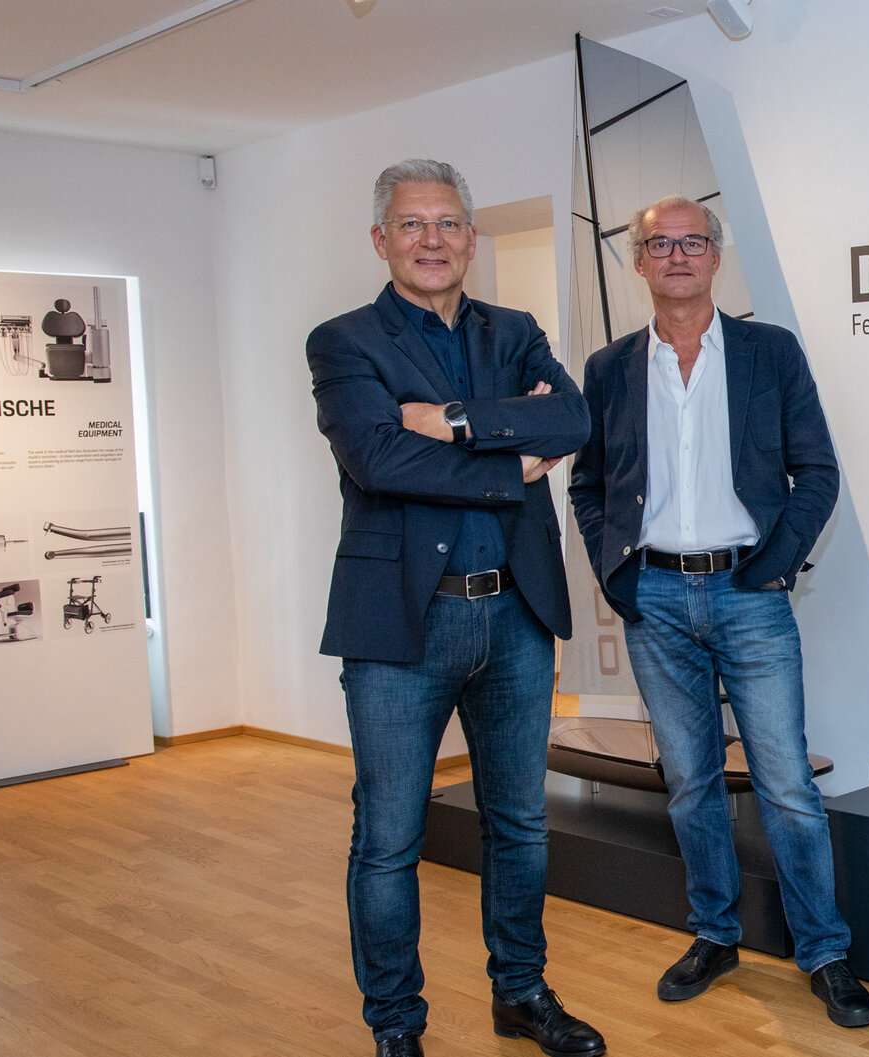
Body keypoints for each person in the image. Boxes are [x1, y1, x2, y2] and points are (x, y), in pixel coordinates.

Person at [307, 159, 604, 1057]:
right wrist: (511, 460)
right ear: (381, 239)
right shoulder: (344, 342)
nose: (431, 240)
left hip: (515, 616)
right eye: (412, 224)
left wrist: (454, 421)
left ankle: (521, 991)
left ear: (471, 238)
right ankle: (396, 1023)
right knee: (389, 836)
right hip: (403, 624)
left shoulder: (514, 331)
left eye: (447, 224)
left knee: (519, 823)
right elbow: (378, 462)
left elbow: (573, 422)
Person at [568, 195, 869, 1027]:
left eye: (692, 241)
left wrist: (773, 566)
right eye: (660, 243)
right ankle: (714, 932)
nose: (677, 255)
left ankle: (825, 951)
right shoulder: (608, 368)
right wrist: (617, 576)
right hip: (654, 598)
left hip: (749, 593)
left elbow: (817, 472)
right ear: (638, 260)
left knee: (786, 785)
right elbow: (587, 486)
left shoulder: (769, 352)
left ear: (715, 254)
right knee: (690, 783)